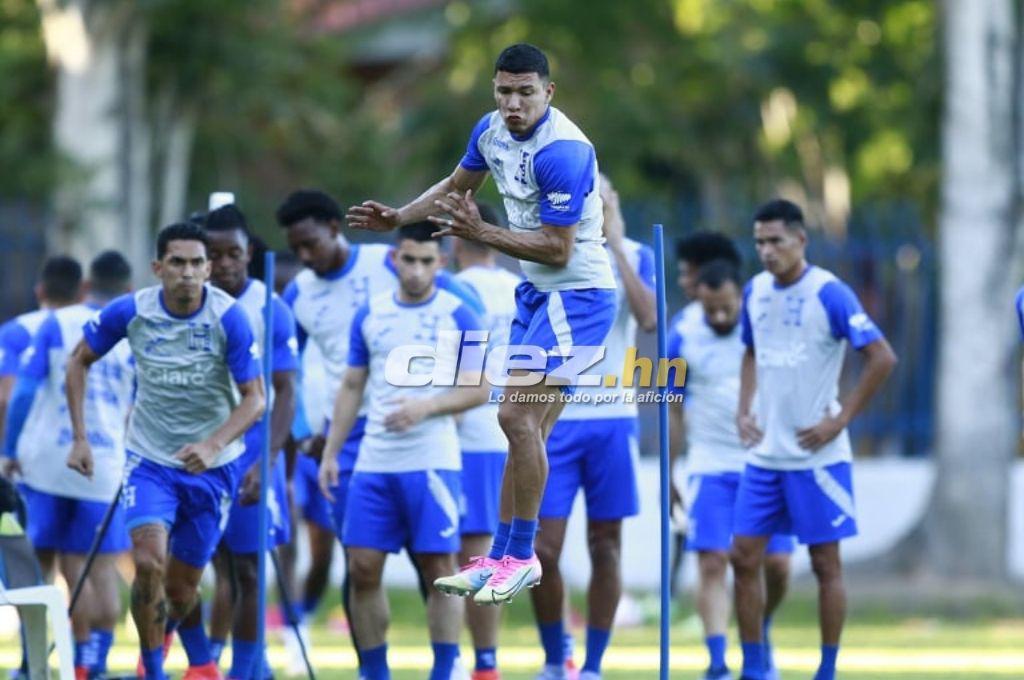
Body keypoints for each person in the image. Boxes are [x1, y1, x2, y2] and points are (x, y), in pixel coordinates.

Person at [350, 42, 618, 606]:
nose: (513, 103)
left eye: (526, 92)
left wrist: (483, 235)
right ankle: (500, 555)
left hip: (578, 296)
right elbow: (455, 189)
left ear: (549, 92)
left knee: (514, 416)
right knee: (526, 431)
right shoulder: (490, 131)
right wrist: (401, 217)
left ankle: (522, 556)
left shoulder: (564, 151)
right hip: (537, 294)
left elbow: (559, 249)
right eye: (504, 92)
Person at [65, 222, 266, 680]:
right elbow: (78, 360)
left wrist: (213, 444)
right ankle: (154, 671)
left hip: (213, 468)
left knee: (180, 590)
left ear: (209, 269)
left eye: (197, 263)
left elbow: (255, 399)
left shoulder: (229, 317)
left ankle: (199, 661)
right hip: (149, 460)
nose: (187, 273)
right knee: (147, 562)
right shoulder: (131, 311)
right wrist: (80, 437)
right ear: (158, 268)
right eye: (177, 262)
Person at [731, 199, 897, 680]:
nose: (766, 251)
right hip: (765, 457)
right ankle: (753, 666)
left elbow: (882, 357)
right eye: (759, 242)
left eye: (776, 241)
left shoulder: (830, 293)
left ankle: (826, 669)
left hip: (816, 457)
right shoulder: (755, 290)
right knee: (743, 557)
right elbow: (749, 350)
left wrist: (840, 419)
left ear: (800, 240)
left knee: (825, 565)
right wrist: (744, 409)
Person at [318, 222, 489, 680]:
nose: (415, 270)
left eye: (426, 261)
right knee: (362, 566)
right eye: (408, 260)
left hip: (433, 461)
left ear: (442, 262)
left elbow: (480, 388)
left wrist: (426, 406)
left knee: (440, 569)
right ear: (394, 259)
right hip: (374, 461)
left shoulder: (460, 314)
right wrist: (332, 453)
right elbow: (351, 385)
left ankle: (445, 669)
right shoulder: (370, 314)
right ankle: (374, 672)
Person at [523, 176, 654, 680]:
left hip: (611, 419)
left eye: (598, 198)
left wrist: (615, 244)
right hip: (555, 418)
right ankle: (557, 656)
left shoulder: (636, 254)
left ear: (611, 202)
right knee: (542, 549)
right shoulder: (546, 251)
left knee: (605, 543)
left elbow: (649, 318)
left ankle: (594, 665)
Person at [4, 251, 134, 680]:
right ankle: (90, 664)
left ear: (86, 286)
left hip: (46, 463)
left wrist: (9, 449)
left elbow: (23, 392)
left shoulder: (55, 323)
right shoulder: (134, 330)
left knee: (37, 569)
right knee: (95, 569)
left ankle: (34, 663)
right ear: (128, 290)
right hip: (104, 465)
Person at [667, 259, 794, 680]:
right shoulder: (682, 333)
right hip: (710, 465)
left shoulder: (768, 326)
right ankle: (718, 661)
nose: (719, 316)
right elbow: (670, 407)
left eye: (727, 307)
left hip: (767, 462)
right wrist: (670, 472)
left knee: (777, 566)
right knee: (712, 561)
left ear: (741, 297)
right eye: (711, 309)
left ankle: (759, 627)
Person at [199, 203, 299, 679]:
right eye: (213, 255)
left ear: (249, 254)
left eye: (233, 254)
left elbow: (286, 391)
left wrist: (268, 460)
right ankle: (205, 661)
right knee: (209, 569)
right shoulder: (189, 304)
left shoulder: (269, 307)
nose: (223, 264)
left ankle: (245, 668)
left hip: (251, 451)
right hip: (198, 450)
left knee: (249, 569)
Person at [450, 202, 522, 680]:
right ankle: (484, 661)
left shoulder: (453, 290)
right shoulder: (519, 287)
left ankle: (466, 661)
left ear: (456, 240)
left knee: (461, 554)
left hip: (461, 433)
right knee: (487, 551)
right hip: (505, 434)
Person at [0, 255, 84, 472]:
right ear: (81, 293)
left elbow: (5, 399)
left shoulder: (14, 332)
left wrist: (7, 451)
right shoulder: (93, 330)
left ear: (39, 291)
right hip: (90, 451)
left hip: (33, 453)